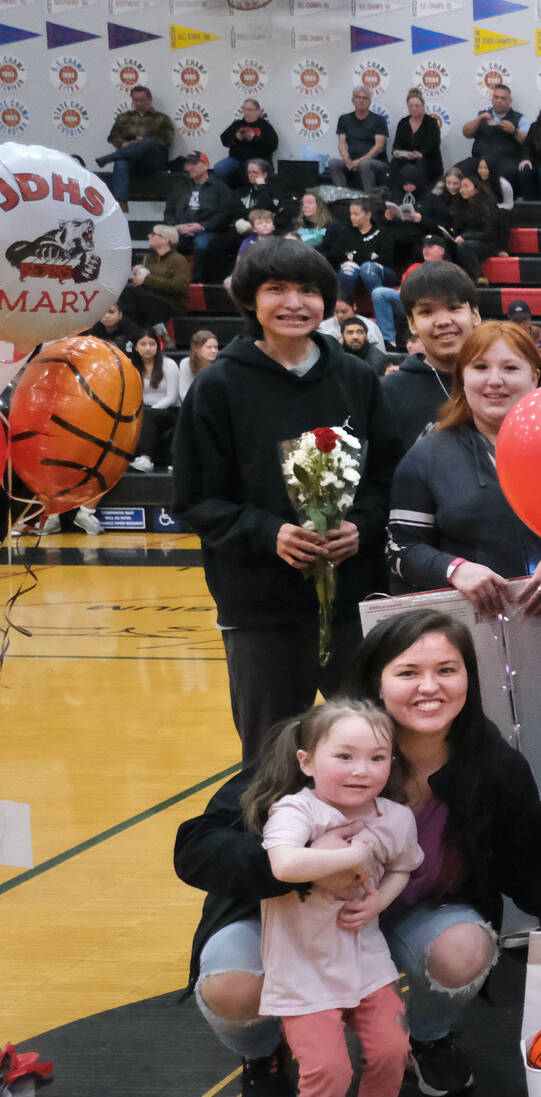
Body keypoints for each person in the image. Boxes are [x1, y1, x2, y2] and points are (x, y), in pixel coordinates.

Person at [174, 609, 541, 1097]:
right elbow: (197, 846)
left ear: (470, 676)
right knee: (231, 984)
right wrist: (304, 869)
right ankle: (262, 1055)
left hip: (406, 912)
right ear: (375, 681)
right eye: (408, 673)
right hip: (288, 919)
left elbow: (529, 863)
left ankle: (428, 1034)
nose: (430, 687)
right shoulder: (314, 745)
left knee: (466, 948)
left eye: (447, 670)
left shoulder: (489, 763)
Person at [171, 237, 402, 765]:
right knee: (272, 761)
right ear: (251, 300)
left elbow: (388, 475)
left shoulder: (356, 378)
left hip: (351, 606)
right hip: (261, 614)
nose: (294, 303)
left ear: (327, 300)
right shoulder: (219, 387)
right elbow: (194, 499)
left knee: (370, 750)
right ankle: (276, 851)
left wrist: (361, 527)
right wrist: (268, 533)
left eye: (308, 290)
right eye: (276, 289)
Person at [242, 699, 422, 1097]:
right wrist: (357, 852)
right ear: (306, 762)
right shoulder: (295, 809)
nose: (362, 771)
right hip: (303, 971)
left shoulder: (397, 817)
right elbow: (283, 865)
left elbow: (405, 865)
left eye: (377, 758)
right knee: (327, 1069)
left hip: (367, 965)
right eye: (344, 756)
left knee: (391, 1050)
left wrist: (378, 903)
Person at [387, 320, 541, 609]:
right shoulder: (427, 455)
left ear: (535, 376)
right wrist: (454, 569)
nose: (494, 380)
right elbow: (400, 549)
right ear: (462, 378)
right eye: (480, 368)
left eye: (510, 368)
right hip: (472, 628)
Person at [381, 264, 481, 440]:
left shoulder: (503, 381)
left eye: (453, 308)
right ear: (412, 323)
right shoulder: (388, 393)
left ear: (475, 315)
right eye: (427, 312)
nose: (442, 321)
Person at [166, 151, 239, 279]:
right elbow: (169, 212)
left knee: (202, 245)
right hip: (180, 229)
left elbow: (225, 214)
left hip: (206, 230)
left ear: (206, 165)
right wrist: (175, 226)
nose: (190, 167)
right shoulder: (179, 187)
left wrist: (202, 226)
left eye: (194, 163)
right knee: (161, 241)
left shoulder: (220, 188)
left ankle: (197, 284)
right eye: (188, 164)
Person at [105, 85, 175, 206]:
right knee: (121, 163)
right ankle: (121, 203)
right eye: (135, 100)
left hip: (153, 159)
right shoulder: (124, 118)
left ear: (149, 100)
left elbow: (167, 140)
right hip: (132, 159)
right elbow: (113, 137)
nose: (138, 103)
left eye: (141, 100)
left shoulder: (162, 119)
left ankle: (114, 156)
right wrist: (123, 143)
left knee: (147, 143)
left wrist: (144, 141)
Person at [129, 329, 187, 473]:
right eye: (143, 344)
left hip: (169, 411)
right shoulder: (130, 366)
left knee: (147, 414)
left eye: (151, 344)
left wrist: (151, 409)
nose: (148, 348)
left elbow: (172, 396)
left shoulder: (168, 364)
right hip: (143, 410)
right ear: (135, 347)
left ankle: (146, 460)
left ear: (158, 346)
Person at [119, 224, 192, 332]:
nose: (149, 236)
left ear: (166, 239)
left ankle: (152, 333)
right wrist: (137, 276)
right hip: (150, 298)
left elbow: (180, 287)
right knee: (127, 293)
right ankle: (141, 334)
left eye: (154, 234)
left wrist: (147, 278)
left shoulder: (179, 260)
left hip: (170, 303)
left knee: (132, 295)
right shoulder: (149, 258)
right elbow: (143, 282)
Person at [324, 199, 397, 304]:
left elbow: (387, 259)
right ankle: (346, 308)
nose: (352, 217)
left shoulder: (383, 232)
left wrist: (353, 256)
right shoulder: (346, 233)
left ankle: (381, 308)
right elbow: (336, 256)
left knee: (368, 268)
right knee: (347, 269)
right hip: (354, 271)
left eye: (356, 214)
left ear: (368, 215)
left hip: (383, 272)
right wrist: (367, 256)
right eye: (351, 214)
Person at [462, 83, 526, 185]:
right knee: (457, 171)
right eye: (496, 97)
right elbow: (466, 133)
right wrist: (479, 119)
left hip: (507, 161)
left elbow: (529, 140)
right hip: (479, 160)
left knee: (506, 174)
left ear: (510, 101)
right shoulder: (481, 115)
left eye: (503, 98)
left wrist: (514, 131)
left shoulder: (520, 119)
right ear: (492, 99)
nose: (499, 100)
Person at [443, 173, 502, 283]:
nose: (462, 190)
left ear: (476, 189)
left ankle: (480, 277)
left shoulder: (487, 205)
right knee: (446, 244)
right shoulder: (460, 205)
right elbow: (459, 228)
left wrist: (465, 237)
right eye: (461, 187)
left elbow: (488, 233)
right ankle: (452, 277)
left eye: (466, 186)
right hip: (467, 240)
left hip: (487, 242)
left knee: (464, 246)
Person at [329, 86, 389, 191]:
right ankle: (343, 195)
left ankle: (370, 198)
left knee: (364, 164)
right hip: (352, 160)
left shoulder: (379, 120)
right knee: (333, 162)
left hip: (376, 162)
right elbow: (342, 143)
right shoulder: (344, 119)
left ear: (370, 102)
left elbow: (379, 146)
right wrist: (348, 161)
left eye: (365, 98)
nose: (361, 101)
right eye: (358, 97)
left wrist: (359, 161)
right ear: (353, 100)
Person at [389, 89, 444, 196]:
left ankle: (420, 196)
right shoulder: (403, 123)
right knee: (395, 161)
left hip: (428, 160)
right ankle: (393, 195)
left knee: (419, 161)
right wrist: (396, 152)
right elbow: (397, 143)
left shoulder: (431, 123)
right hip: (407, 159)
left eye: (417, 106)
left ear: (423, 106)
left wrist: (421, 153)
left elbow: (434, 144)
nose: (414, 108)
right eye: (411, 106)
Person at [216, 99, 279, 188]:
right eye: (245, 109)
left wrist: (254, 138)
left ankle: (255, 193)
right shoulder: (237, 124)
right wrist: (236, 138)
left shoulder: (265, 126)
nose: (247, 112)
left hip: (258, 159)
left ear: (258, 112)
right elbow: (224, 140)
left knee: (250, 168)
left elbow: (273, 145)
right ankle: (229, 192)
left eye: (250, 110)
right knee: (219, 169)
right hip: (236, 159)